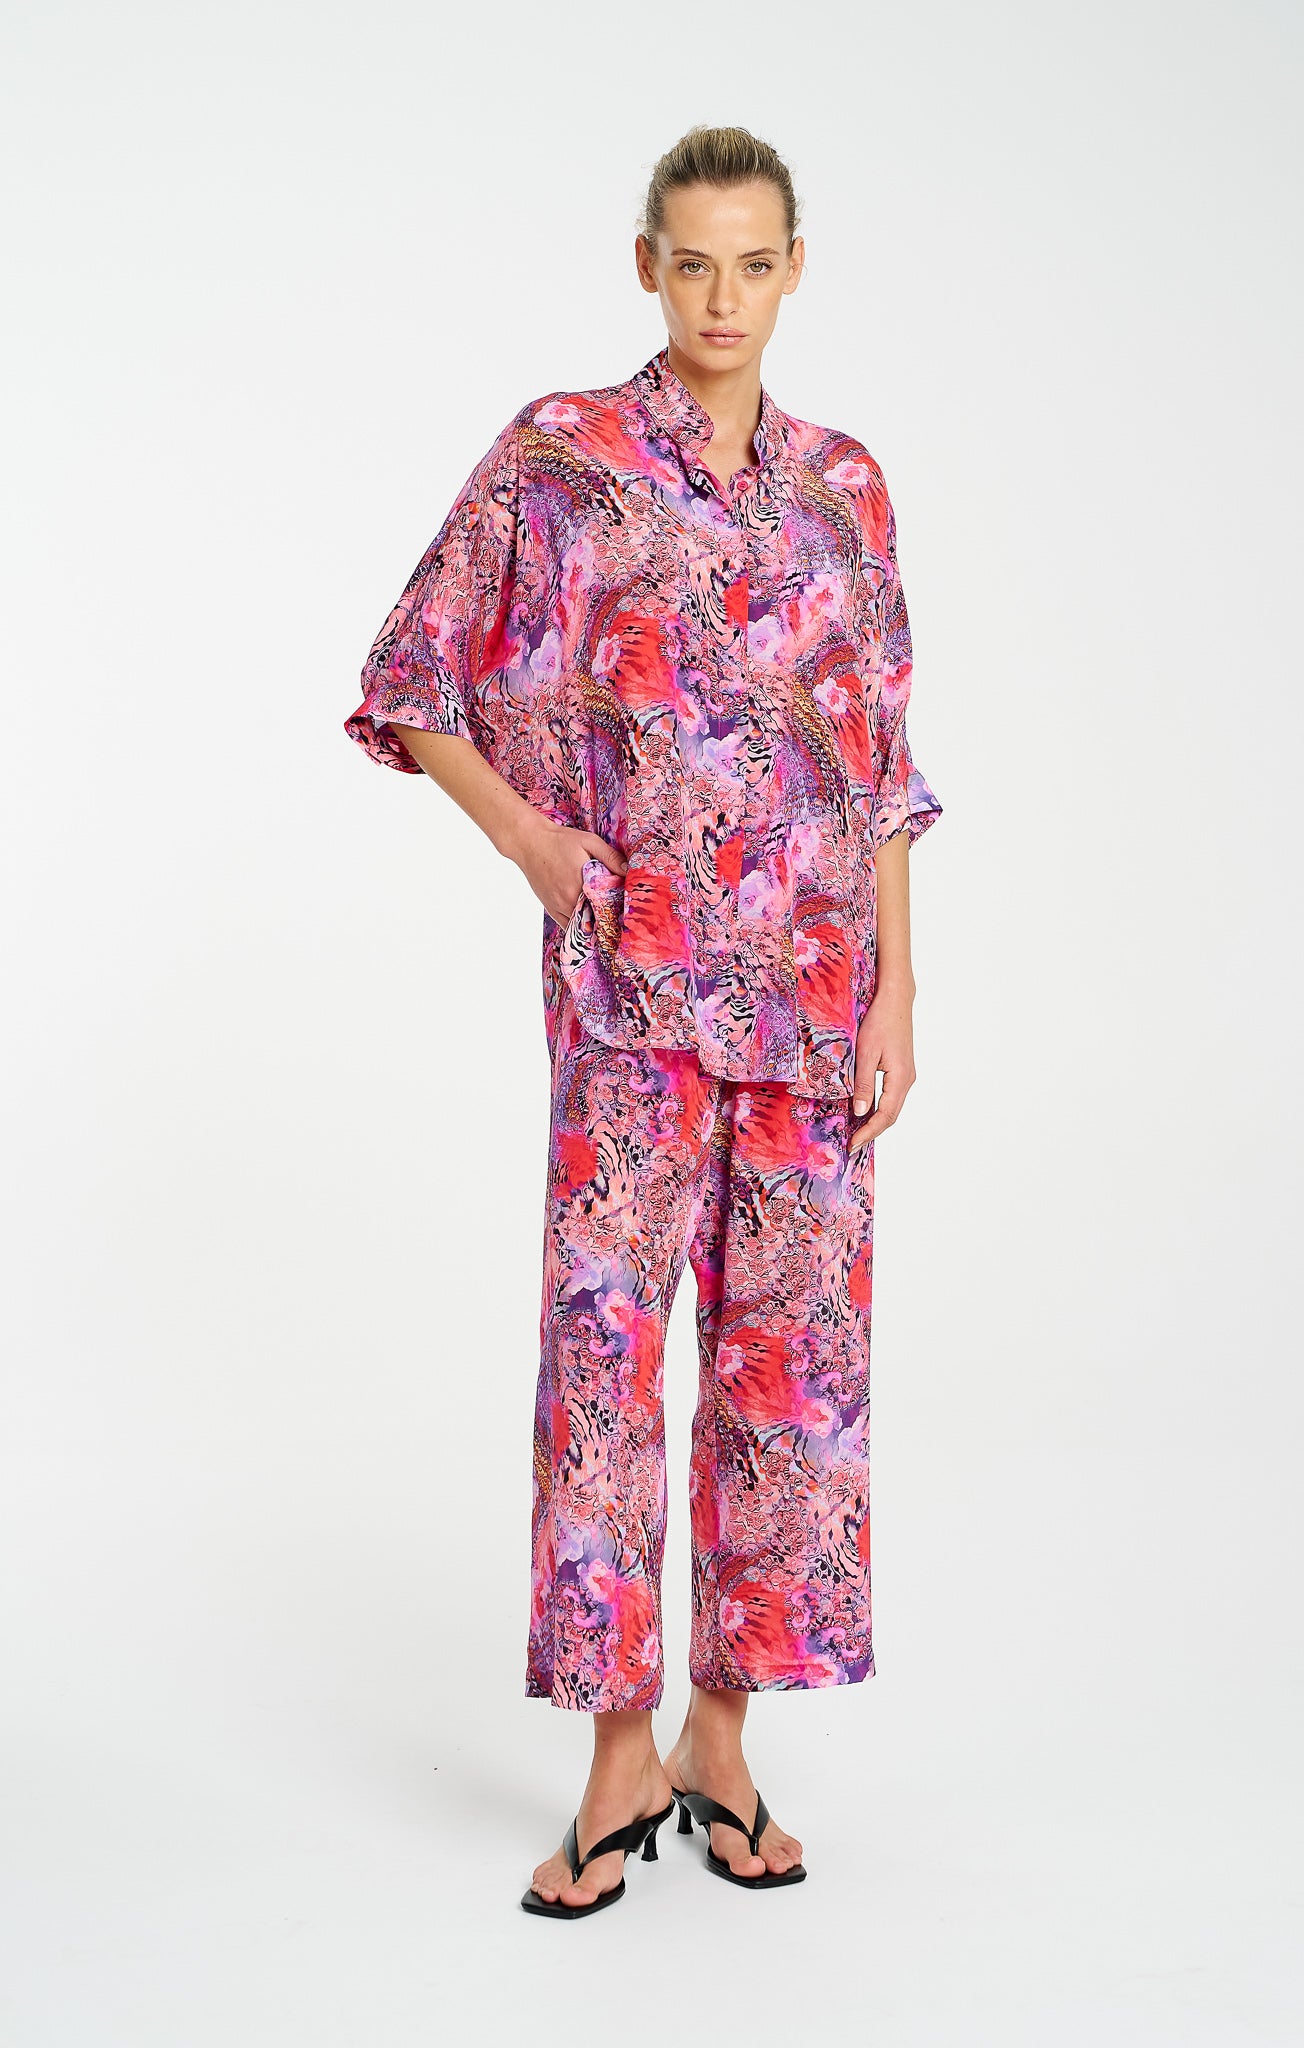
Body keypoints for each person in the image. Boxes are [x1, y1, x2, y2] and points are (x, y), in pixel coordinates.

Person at [343, 123, 943, 1918]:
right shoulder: (566, 459)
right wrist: (532, 843)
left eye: (752, 263)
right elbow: (411, 675)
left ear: (793, 269)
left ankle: (721, 1741)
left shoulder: (845, 487)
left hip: (815, 1005)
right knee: (603, 1368)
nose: (720, 298)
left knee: (790, 1382)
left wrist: (900, 984)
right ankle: (615, 1761)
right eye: (691, 262)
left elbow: (879, 761)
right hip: (633, 996)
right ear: (645, 266)